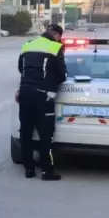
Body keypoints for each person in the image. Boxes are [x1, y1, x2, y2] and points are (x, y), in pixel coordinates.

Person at [17, 24, 66, 180]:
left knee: (25, 133)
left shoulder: (27, 45)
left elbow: (21, 68)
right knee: (46, 136)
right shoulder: (55, 47)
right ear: (57, 35)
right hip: (43, 96)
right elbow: (61, 75)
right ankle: (47, 171)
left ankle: (29, 170)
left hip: (24, 93)